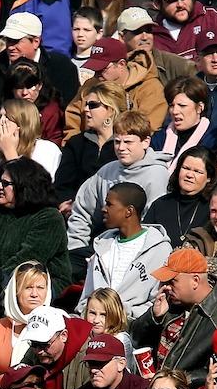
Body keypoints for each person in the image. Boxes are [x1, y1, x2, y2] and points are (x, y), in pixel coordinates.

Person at [68, 111, 171, 272]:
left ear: (145, 142)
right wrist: (76, 247)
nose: (121, 148)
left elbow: (152, 224)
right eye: (117, 142)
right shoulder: (107, 171)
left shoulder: (157, 175)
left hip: (134, 253)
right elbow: (82, 212)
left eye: (128, 142)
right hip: (102, 244)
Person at [130, 249, 217, 382]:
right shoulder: (168, 302)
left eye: (172, 282)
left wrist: (177, 381)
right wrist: (154, 317)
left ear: (195, 281)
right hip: (152, 387)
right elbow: (135, 339)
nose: (166, 287)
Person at [78, 181, 172, 319]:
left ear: (129, 211)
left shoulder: (160, 250)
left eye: (109, 204)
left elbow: (157, 303)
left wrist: (120, 313)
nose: (104, 209)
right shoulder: (101, 247)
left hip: (133, 332)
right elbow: (85, 300)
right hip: (95, 329)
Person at [0, 158, 70, 294]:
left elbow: (27, 260)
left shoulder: (49, 217)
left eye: (5, 183)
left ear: (24, 186)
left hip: (38, 288)